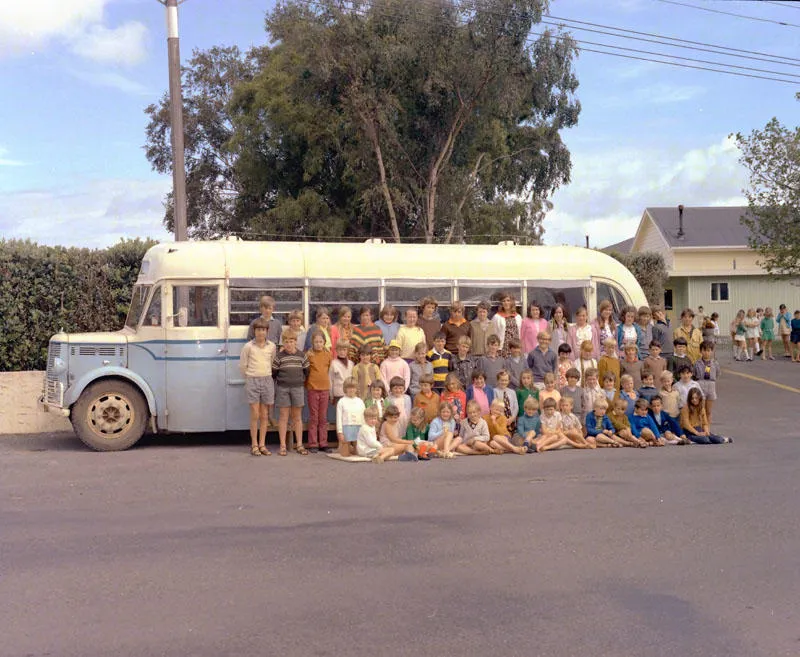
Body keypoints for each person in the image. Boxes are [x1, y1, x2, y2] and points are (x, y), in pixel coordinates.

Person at [239, 317, 277, 456]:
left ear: (267, 331)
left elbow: (272, 362)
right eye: (258, 330)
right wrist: (250, 377)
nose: (261, 333)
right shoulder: (248, 346)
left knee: (264, 415)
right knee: (255, 414)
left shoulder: (271, 346)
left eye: (263, 330)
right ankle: (254, 444)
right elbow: (243, 365)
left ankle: (262, 444)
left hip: (267, 380)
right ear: (254, 331)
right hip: (252, 380)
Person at [273, 330, 310, 456]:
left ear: (296, 342)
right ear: (283, 343)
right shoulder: (279, 356)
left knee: (297, 417)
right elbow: (274, 373)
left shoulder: (301, 356)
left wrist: (299, 382)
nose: (289, 344)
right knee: (283, 417)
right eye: (286, 342)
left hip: (298, 388)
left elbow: (306, 371)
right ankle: (283, 445)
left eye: (292, 341)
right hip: (283, 388)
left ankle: (299, 444)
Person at [305, 331, 333, 453]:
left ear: (324, 342)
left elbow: (330, 371)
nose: (318, 344)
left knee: (323, 417)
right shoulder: (309, 354)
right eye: (316, 342)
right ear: (312, 342)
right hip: (312, 388)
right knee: (314, 417)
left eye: (320, 342)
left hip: (325, 389)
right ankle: (313, 443)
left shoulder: (328, 354)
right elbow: (305, 371)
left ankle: (323, 442)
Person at [337, 377, 365, 457]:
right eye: (349, 388)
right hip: (346, 428)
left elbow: (363, 417)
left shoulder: (360, 401)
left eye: (353, 388)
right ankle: (345, 446)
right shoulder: (341, 401)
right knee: (345, 454)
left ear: (356, 389)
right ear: (345, 389)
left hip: (359, 427)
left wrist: (364, 430)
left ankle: (354, 448)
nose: (351, 390)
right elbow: (339, 419)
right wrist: (340, 432)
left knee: (358, 453)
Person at [693, 340, 720, 424]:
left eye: (708, 350)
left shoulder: (715, 363)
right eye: (704, 350)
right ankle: (701, 427)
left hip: (711, 385)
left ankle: (707, 428)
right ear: (701, 351)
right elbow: (694, 374)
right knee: (701, 409)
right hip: (700, 383)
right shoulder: (697, 363)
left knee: (708, 411)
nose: (706, 353)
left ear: (712, 351)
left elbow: (718, 373)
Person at [492, 292, 523, 357]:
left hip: (515, 348)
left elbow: (520, 334)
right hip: (503, 349)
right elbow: (494, 334)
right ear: (501, 304)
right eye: (504, 301)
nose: (506, 303)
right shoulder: (497, 317)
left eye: (508, 300)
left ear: (512, 302)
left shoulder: (518, 317)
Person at [329, 340, 354, 407]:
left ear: (347, 350)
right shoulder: (333, 364)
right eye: (340, 350)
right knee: (339, 414)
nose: (342, 352)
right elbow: (330, 380)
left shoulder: (351, 364)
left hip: (350, 393)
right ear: (336, 350)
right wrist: (331, 396)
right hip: (338, 394)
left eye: (344, 350)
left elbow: (353, 380)